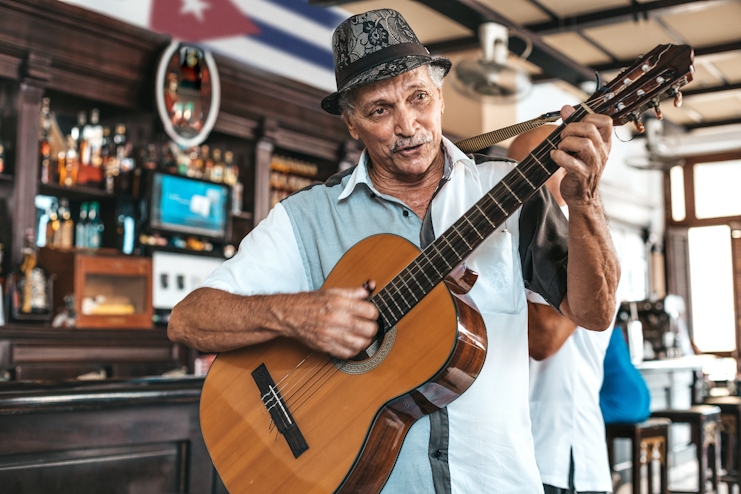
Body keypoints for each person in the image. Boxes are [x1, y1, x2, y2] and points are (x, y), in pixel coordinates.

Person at [168, 9, 620, 493]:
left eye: (418, 98)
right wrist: (299, 314)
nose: (408, 125)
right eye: (380, 110)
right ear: (352, 123)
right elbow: (189, 320)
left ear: (440, 97)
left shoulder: (509, 192)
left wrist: (584, 200)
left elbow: (591, 314)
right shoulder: (307, 217)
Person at [508, 124, 614, 494]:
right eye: (513, 167)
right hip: (515, 452)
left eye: (527, 168)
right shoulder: (517, 236)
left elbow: (544, 338)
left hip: (561, 453)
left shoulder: (588, 241)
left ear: (566, 168)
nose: (514, 181)